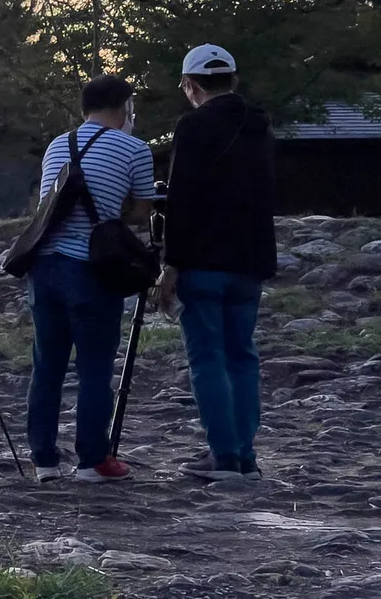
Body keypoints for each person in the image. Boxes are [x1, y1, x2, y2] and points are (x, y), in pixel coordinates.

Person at [28, 75, 156, 484]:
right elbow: (139, 212)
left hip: (44, 265)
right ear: (124, 107)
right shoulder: (135, 148)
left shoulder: (56, 145)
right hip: (91, 268)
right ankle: (92, 460)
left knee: (47, 366)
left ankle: (44, 460)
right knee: (95, 368)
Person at [157, 44, 277, 482]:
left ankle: (223, 454)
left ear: (191, 86)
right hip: (252, 259)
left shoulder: (193, 126)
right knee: (242, 356)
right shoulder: (260, 125)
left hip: (205, 259)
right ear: (234, 80)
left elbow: (182, 198)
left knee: (207, 357)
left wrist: (172, 264)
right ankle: (245, 454)